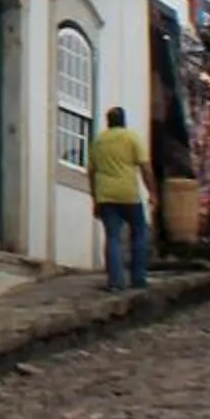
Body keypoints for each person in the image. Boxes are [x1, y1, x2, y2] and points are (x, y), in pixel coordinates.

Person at [89, 106, 159, 291]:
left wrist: (95, 198)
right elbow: (145, 168)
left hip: (105, 195)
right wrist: (152, 192)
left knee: (112, 237)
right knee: (140, 232)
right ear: (123, 121)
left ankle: (116, 282)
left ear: (108, 122)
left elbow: (92, 172)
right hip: (128, 194)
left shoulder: (98, 141)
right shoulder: (132, 138)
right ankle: (138, 278)